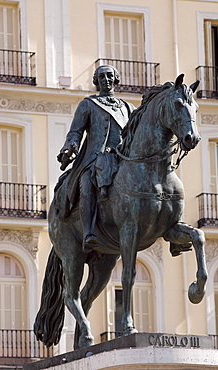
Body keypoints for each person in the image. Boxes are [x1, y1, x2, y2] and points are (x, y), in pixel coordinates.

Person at [57, 65, 135, 252]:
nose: (106, 80)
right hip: (95, 157)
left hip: (123, 158)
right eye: (101, 77)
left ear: (116, 79)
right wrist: (70, 147)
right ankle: (88, 232)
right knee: (86, 182)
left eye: (109, 76)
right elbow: (75, 132)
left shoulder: (127, 107)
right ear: (96, 81)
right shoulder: (88, 104)